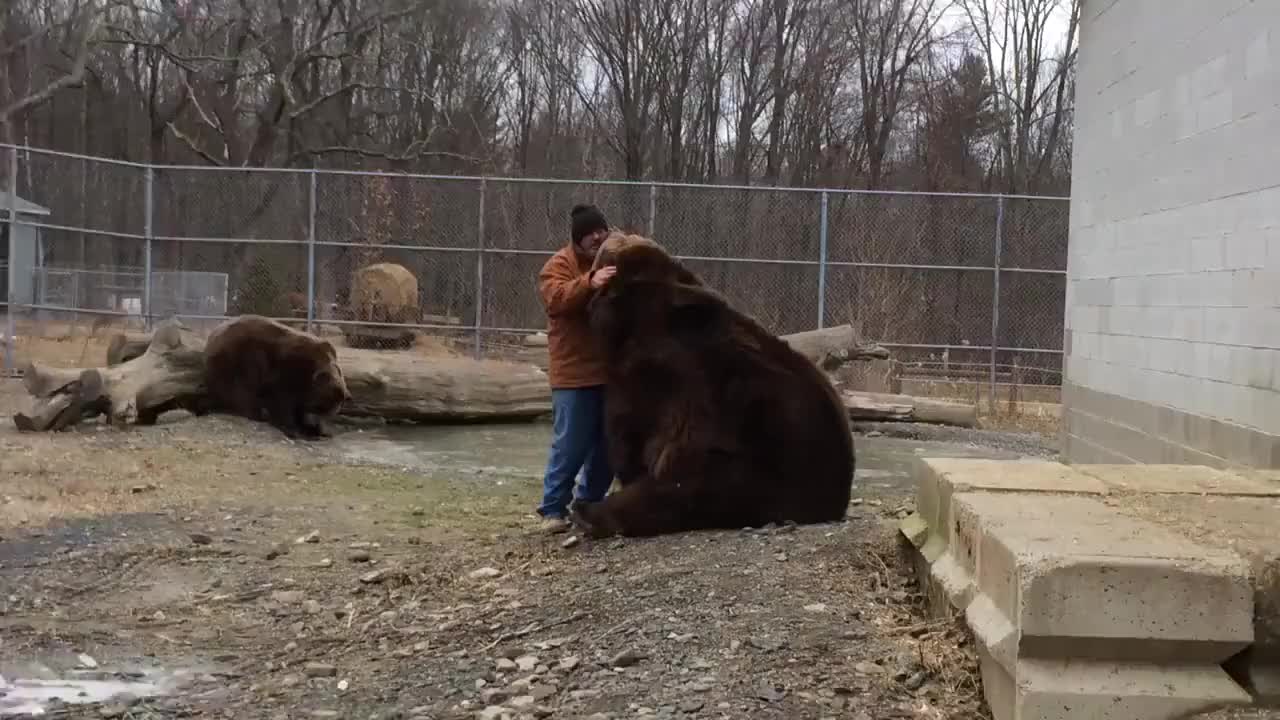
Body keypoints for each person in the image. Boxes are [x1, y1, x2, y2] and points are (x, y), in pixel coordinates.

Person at [534, 204, 619, 533]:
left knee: (608, 445)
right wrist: (590, 281)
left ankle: (589, 506)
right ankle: (553, 509)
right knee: (570, 444)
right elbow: (556, 299)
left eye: (601, 230)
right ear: (577, 238)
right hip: (574, 374)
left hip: (611, 372)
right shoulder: (559, 265)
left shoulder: (615, 258)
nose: (597, 237)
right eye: (590, 233)